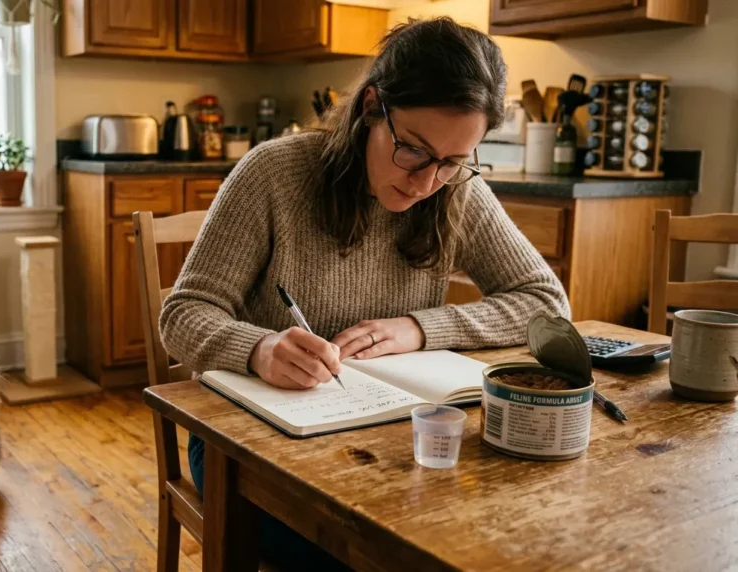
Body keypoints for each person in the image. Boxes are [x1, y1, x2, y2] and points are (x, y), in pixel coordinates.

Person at [159, 16, 570, 571]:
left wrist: (419, 328)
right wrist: (259, 349)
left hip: (392, 439)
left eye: (452, 162)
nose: (427, 182)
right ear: (372, 107)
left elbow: (546, 303)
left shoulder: (456, 191)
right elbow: (183, 313)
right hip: (247, 446)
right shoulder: (274, 173)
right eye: (414, 150)